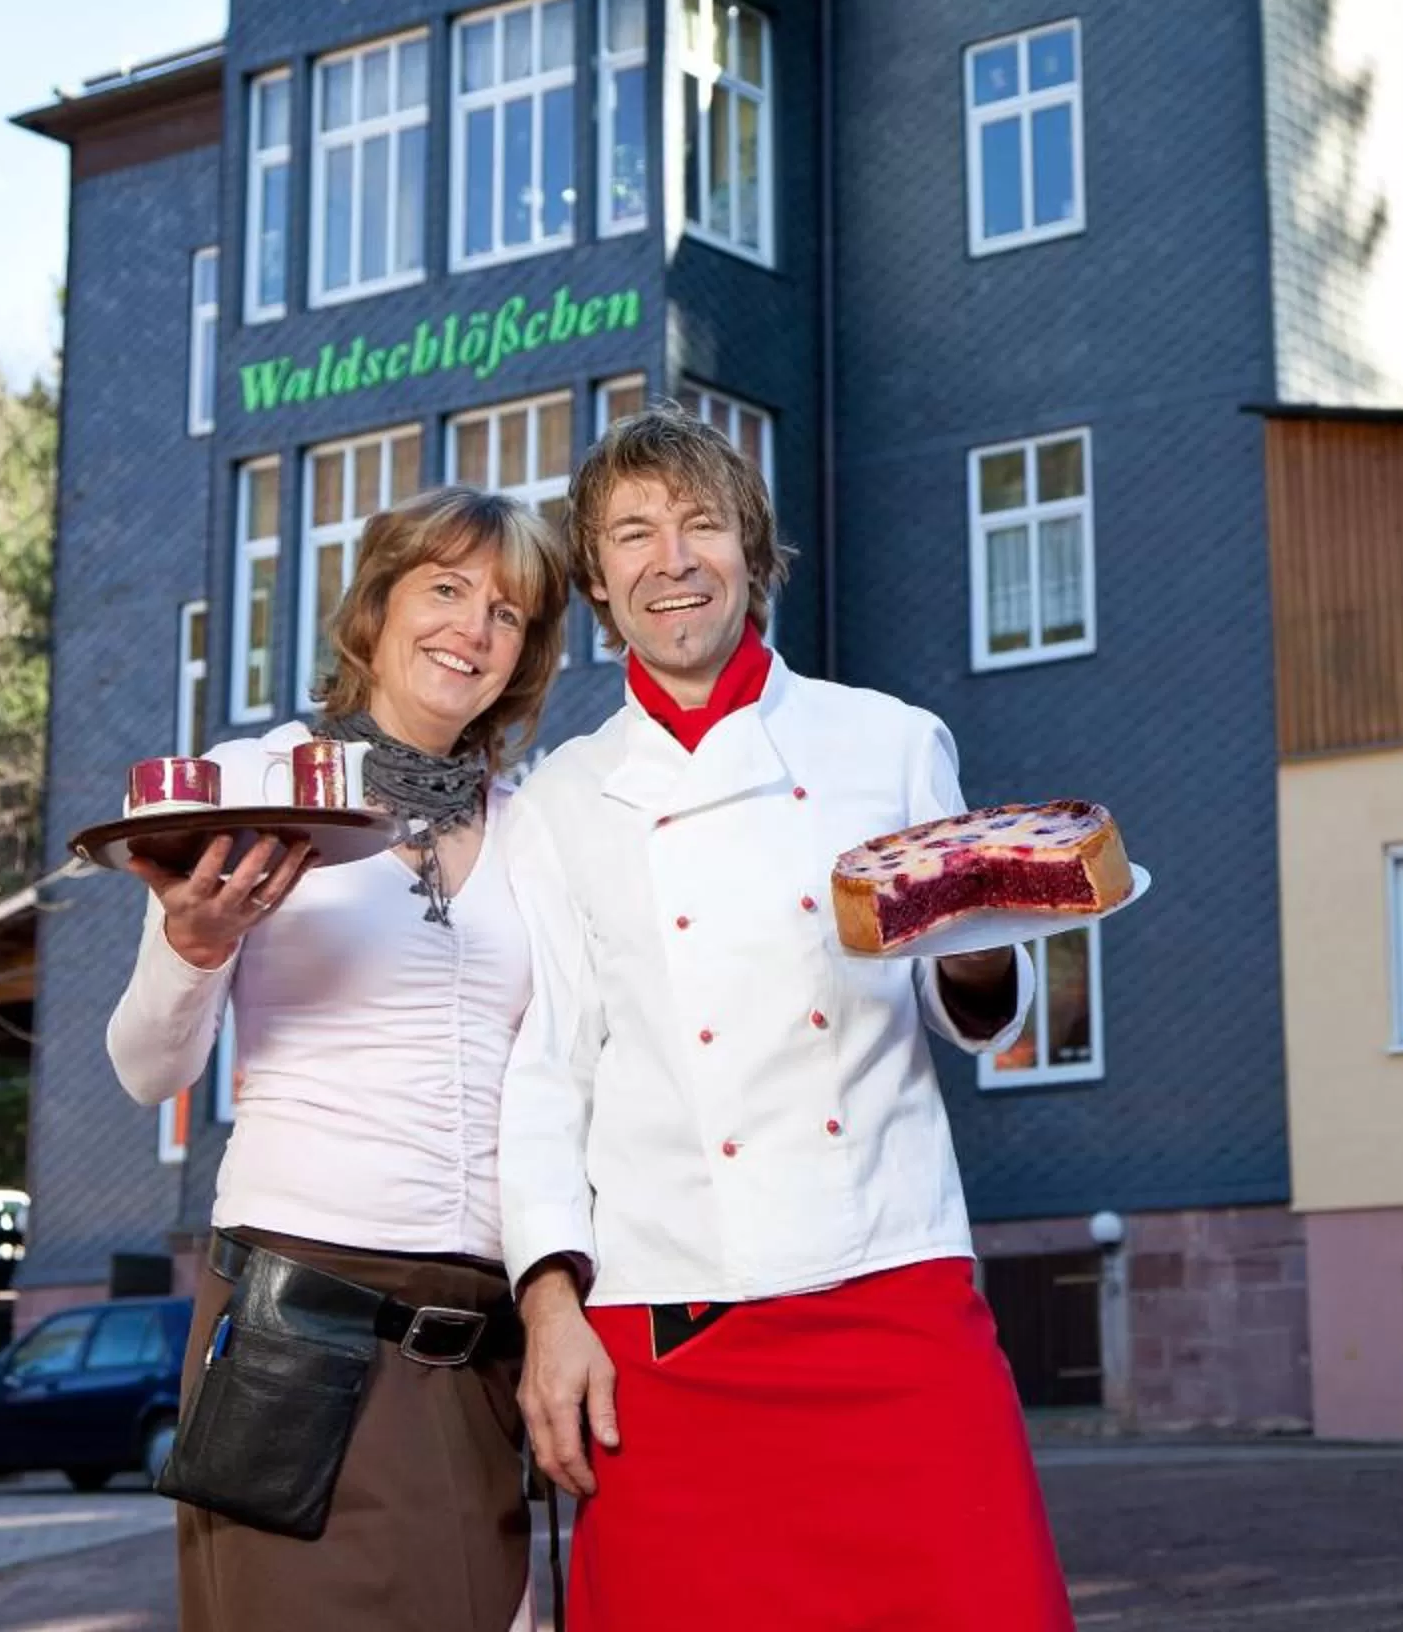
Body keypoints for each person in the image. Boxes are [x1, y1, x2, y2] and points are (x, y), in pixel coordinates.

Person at [501, 404, 1077, 1629]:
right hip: (669, 1331)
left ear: (752, 554)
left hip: (889, 1289)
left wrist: (979, 953)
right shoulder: (559, 800)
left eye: (704, 524)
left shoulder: (887, 741)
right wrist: (550, 1306)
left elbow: (971, 1001)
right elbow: (549, 1074)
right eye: (634, 534)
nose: (673, 558)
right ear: (598, 582)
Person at [107, 484, 569, 1632]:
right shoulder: (255, 779)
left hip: (475, 1346)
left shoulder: (536, 827)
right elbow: (145, 1068)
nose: (473, 628)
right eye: (448, 589)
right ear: (378, 604)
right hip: (295, 1323)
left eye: (508, 613)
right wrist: (191, 942)